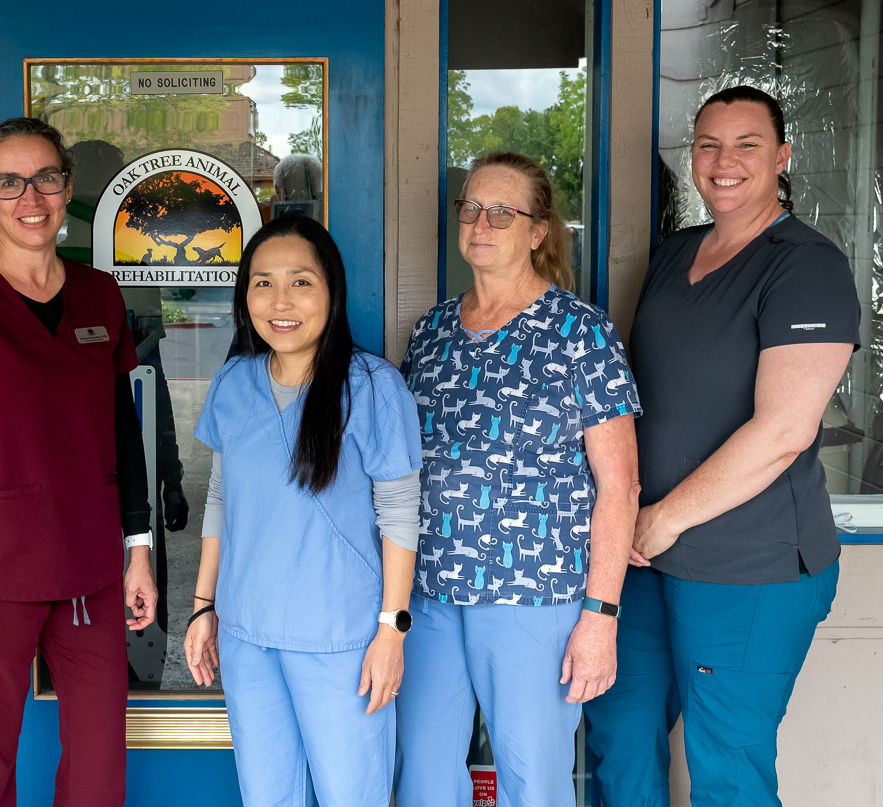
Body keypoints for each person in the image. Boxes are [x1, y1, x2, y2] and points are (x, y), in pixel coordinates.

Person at [583, 86, 859, 807]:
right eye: (708, 144)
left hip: (748, 565)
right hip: (642, 558)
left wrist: (664, 516)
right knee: (619, 736)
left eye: (747, 144)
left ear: (782, 157)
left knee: (726, 766)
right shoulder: (676, 256)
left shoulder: (806, 266)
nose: (723, 161)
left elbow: (784, 430)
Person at [0, 117, 157, 807]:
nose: (31, 198)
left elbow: (121, 429)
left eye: (46, 178)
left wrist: (138, 548)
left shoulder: (99, 294)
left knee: (100, 764)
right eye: (10, 182)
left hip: (90, 568)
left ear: (67, 187)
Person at [395, 152, 642, 807]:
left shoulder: (581, 333)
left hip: (536, 596)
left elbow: (620, 488)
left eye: (502, 211)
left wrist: (600, 618)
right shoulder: (431, 334)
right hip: (430, 595)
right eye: (471, 207)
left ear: (538, 231)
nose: (480, 221)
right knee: (421, 776)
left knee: (532, 782)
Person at [183, 214, 422, 807]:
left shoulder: (371, 386)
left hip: (342, 639)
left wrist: (392, 630)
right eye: (262, 283)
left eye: (300, 282)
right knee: (267, 797)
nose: (280, 301)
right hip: (246, 634)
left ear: (331, 291)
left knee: (353, 796)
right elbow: (221, 495)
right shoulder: (234, 382)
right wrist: (203, 607)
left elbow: (400, 511)